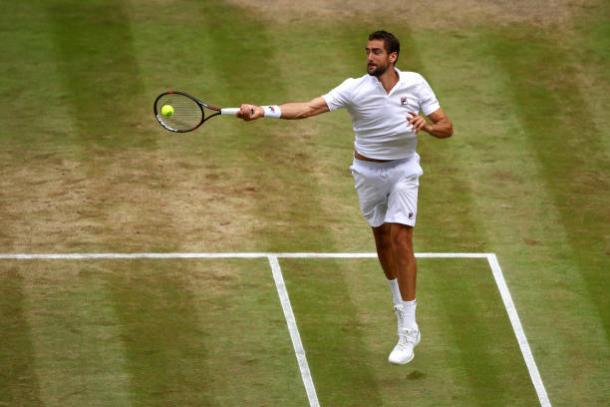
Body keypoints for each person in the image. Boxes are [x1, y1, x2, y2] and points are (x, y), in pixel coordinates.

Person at [237, 30, 453, 365]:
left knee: (401, 239)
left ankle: (408, 327)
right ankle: (398, 302)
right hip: (366, 172)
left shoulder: (416, 84)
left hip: (404, 171)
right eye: (367, 51)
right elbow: (309, 108)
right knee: (381, 238)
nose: (370, 57)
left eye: (377, 52)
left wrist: (425, 126)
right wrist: (264, 111)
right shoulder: (354, 88)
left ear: (393, 57)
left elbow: (446, 127)